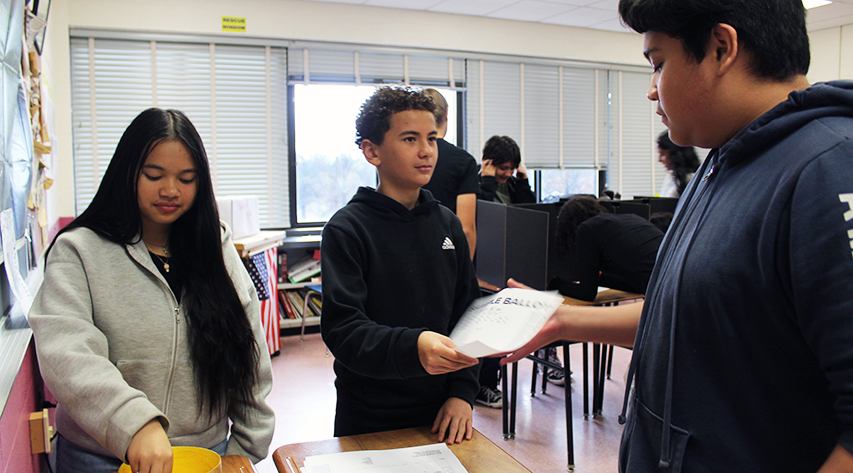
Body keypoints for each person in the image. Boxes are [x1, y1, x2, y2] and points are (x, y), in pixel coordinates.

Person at [502, 0, 853, 471]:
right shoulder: (723, 164)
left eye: (659, 64)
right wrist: (563, 321)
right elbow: (688, 311)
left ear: (721, 48)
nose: (652, 91)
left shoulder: (827, 167)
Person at [29, 108, 275, 473]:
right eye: (153, 175)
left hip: (204, 456)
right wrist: (133, 423)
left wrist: (245, 447)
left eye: (187, 178)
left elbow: (247, 352)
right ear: (126, 172)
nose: (170, 191)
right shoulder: (79, 250)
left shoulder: (216, 246)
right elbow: (67, 353)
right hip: (100, 457)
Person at [320, 86, 481, 443]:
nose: (426, 151)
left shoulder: (447, 223)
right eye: (410, 139)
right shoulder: (348, 229)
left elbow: (467, 314)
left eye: (432, 138)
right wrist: (414, 347)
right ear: (371, 150)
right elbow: (343, 330)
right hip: (369, 413)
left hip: (443, 413)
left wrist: (462, 394)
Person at [549, 196, 663, 302]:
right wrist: (600, 279)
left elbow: (586, 294)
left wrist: (553, 283)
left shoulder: (587, 228)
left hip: (659, 289)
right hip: (671, 280)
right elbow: (635, 279)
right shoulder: (631, 218)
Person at [421, 88, 479, 259]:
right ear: (446, 114)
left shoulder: (406, 159)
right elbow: (466, 229)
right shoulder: (463, 161)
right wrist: (464, 277)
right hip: (447, 255)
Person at [477, 135, 535, 204]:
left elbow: (531, 210)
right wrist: (488, 182)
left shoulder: (511, 184)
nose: (508, 174)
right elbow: (483, 209)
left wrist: (523, 185)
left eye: (512, 168)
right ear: (488, 163)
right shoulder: (473, 183)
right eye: (503, 168)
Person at [656, 130, 700, 197]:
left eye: (662, 154)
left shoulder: (692, 179)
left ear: (674, 154)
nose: (659, 160)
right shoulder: (671, 176)